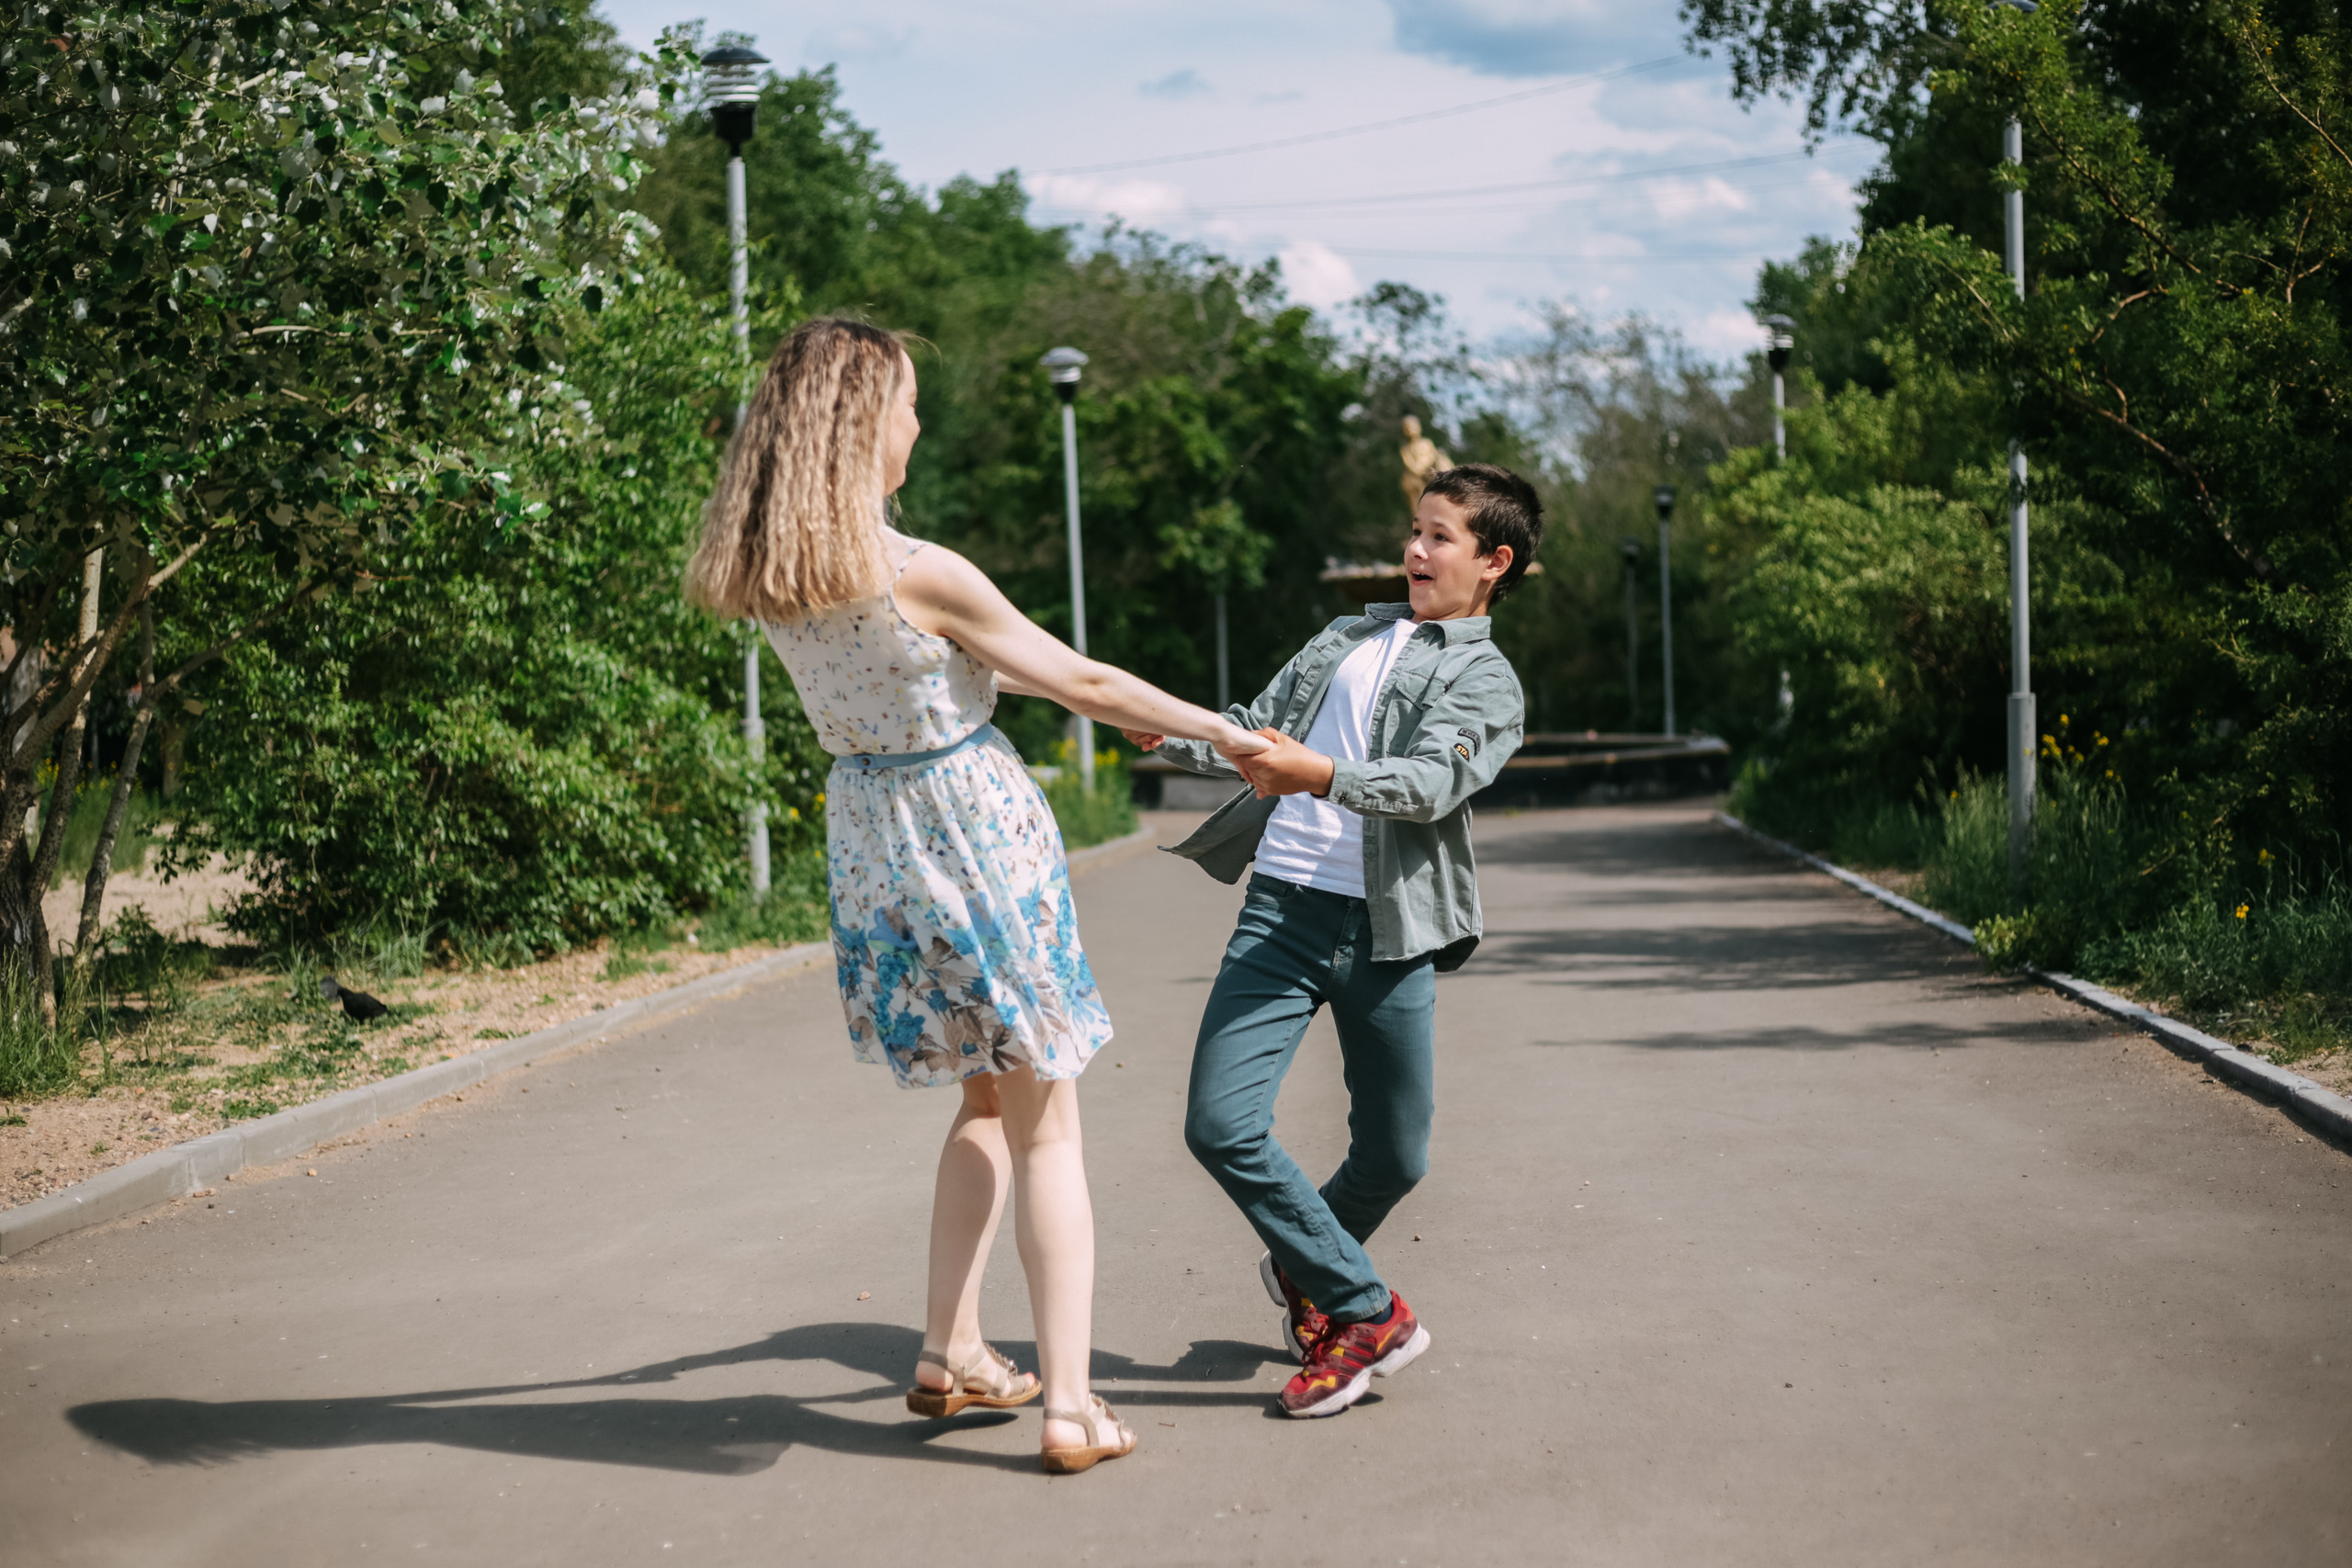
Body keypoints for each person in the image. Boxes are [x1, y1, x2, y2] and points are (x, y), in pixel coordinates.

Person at [685, 317, 1272, 1473]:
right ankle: (1072, 1405)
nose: (916, 425)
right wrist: (1226, 733)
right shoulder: (922, 570)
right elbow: (1089, 679)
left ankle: (949, 1352)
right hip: (971, 842)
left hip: (875, 854)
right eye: (905, 405)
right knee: (1049, 1121)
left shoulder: (773, 576)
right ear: (862, 428)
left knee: (983, 1104)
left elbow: (913, 676)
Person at [1128, 462, 1540, 1418]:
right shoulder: (1346, 633)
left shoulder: (1485, 679)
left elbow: (1429, 785)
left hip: (1388, 929)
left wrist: (1318, 774)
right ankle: (1365, 1311)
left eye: (1440, 537)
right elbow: (1255, 731)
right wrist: (1169, 727)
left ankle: (1304, 1268)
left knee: (1396, 1156)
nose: (1414, 551)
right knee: (1220, 1124)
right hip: (1281, 909)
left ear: (1494, 563)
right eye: (1414, 529)